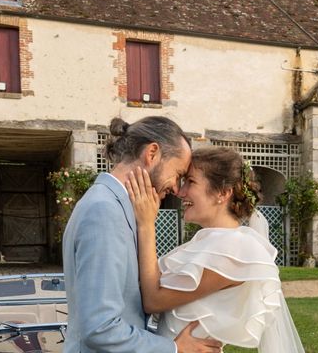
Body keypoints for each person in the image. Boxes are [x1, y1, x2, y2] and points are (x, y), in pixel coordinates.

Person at [62, 117, 223, 353]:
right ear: (152, 153)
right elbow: (100, 327)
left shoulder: (116, 206)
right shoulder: (105, 211)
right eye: (178, 173)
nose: (177, 189)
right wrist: (174, 348)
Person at [126, 146, 305, 353]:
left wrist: (146, 225)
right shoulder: (210, 243)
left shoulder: (233, 251)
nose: (180, 192)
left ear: (223, 193)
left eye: (190, 182)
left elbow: (153, 300)